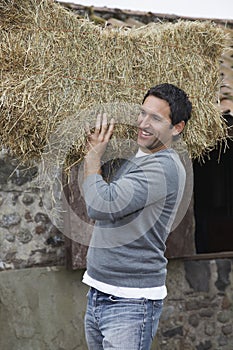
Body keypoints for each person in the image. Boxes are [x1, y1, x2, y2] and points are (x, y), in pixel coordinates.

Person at [82, 83, 192, 350]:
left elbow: (100, 205)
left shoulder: (163, 169)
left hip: (130, 302)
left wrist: (93, 156)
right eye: (142, 113)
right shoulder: (139, 160)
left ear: (177, 128)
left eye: (155, 118)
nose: (143, 122)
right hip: (99, 291)